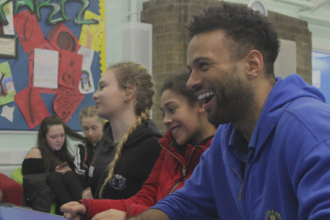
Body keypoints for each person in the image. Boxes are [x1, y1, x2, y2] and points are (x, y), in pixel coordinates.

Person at [125, 2, 330, 220]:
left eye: (203, 65)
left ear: (252, 65)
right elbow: (185, 204)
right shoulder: (226, 138)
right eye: (190, 70)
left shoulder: (310, 131)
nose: (190, 82)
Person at [60, 71, 217, 220]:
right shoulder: (169, 147)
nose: (166, 120)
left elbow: (185, 210)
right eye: (164, 113)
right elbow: (147, 197)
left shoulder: (217, 154)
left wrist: (129, 216)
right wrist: (88, 206)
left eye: (172, 110)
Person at [80, 61, 162, 202]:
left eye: (102, 87)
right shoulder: (106, 138)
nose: (95, 95)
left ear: (128, 93)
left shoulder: (152, 145)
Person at [22, 114, 85, 213]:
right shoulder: (36, 152)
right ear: (44, 138)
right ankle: (78, 212)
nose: (59, 140)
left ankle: (82, 211)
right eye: (53, 137)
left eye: (62, 135)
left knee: (71, 175)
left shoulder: (63, 155)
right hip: (46, 198)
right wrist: (55, 173)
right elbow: (31, 182)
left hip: (65, 198)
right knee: (56, 176)